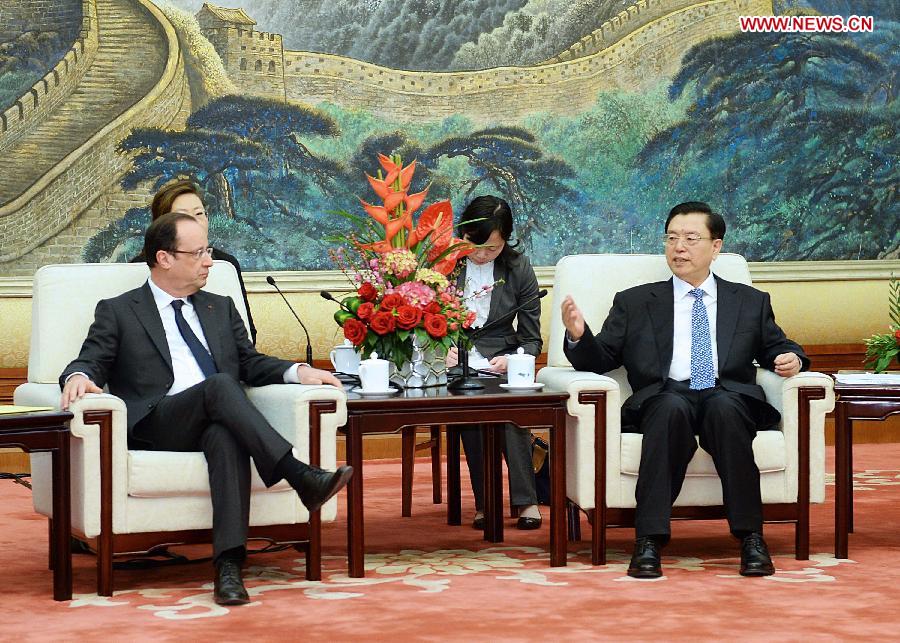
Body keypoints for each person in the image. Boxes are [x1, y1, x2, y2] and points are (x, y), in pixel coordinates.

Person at [61, 212, 352, 605]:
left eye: (208, 250)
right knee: (219, 385)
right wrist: (76, 376)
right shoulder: (119, 310)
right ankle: (296, 473)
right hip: (158, 423)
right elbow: (91, 359)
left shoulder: (220, 306)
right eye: (197, 252)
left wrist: (298, 371)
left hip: (215, 416)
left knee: (225, 433)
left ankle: (229, 569)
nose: (209, 261)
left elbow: (249, 363)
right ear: (164, 258)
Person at [561, 201, 808, 579]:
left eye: (691, 238)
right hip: (664, 394)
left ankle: (751, 538)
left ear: (716, 247)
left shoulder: (750, 302)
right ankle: (649, 540)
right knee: (669, 410)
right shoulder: (636, 301)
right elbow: (601, 358)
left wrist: (793, 359)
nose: (679, 247)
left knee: (725, 411)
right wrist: (579, 335)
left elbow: (778, 346)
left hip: (725, 393)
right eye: (672, 238)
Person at [447, 195, 543, 530]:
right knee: (470, 409)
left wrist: (514, 359)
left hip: (499, 359)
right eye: (477, 247)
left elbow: (531, 338)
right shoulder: (445, 264)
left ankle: (526, 500)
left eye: (493, 248)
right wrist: (441, 347)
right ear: (464, 235)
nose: (483, 255)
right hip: (453, 358)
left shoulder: (519, 267)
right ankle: (485, 502)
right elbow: (422, 317)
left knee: (509, 409)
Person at [131, 180, 257, 344]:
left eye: (199, 214)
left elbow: (248, 333)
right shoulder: (141, 266)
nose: (195, 222)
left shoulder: (226, 264)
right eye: (183, 216)